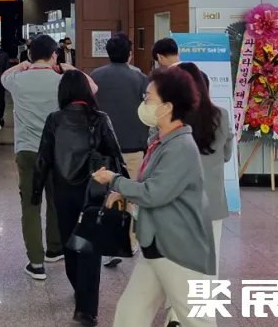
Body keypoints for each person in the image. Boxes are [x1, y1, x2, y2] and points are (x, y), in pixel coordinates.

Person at [92, 67, 217, 327]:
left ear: (167, 107)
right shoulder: (163, 141)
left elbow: (154, 193)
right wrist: (124, 191)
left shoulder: (180, 147)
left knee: (197, 318)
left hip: (177, 248)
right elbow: (151, 185)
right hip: (157, 244)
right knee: (130, 313)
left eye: (148, 98)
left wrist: (115, 180)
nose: (144, 104)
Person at [33, 70, 127, 327]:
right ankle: (86, 309)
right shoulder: (100, 118)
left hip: (62, 191)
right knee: (89, 246)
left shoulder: (54, 119)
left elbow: (43, 158)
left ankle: (79, 289)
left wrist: (35, 192)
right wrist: (126, 187)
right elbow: (115, 155)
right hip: (93, 191)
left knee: (70, 243)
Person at [163, 63, 234, 327]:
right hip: (211, 202)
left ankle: (176, 313)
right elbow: (226, 155)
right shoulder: (221, 115)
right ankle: (204, 315)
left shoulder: (171, 118)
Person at [1, 34, 66, 280]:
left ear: (30, 55)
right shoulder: (61, 81)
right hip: (55, 150)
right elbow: (91, 88)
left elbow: (4, 75)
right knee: (55, 200)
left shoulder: (17, 80)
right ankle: (54, 248)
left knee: (30, 205)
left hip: (27, 150)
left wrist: (22, 65)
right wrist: (65, 68)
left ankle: (36, 263)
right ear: (54, 55)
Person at [90, 33, 149, 267]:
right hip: (132, 145)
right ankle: (128, 242)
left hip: (103, 147)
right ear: (130, 54)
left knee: (105, 194)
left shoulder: (95, 76)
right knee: (130, 194)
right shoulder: (141, 79)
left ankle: (107, 242)